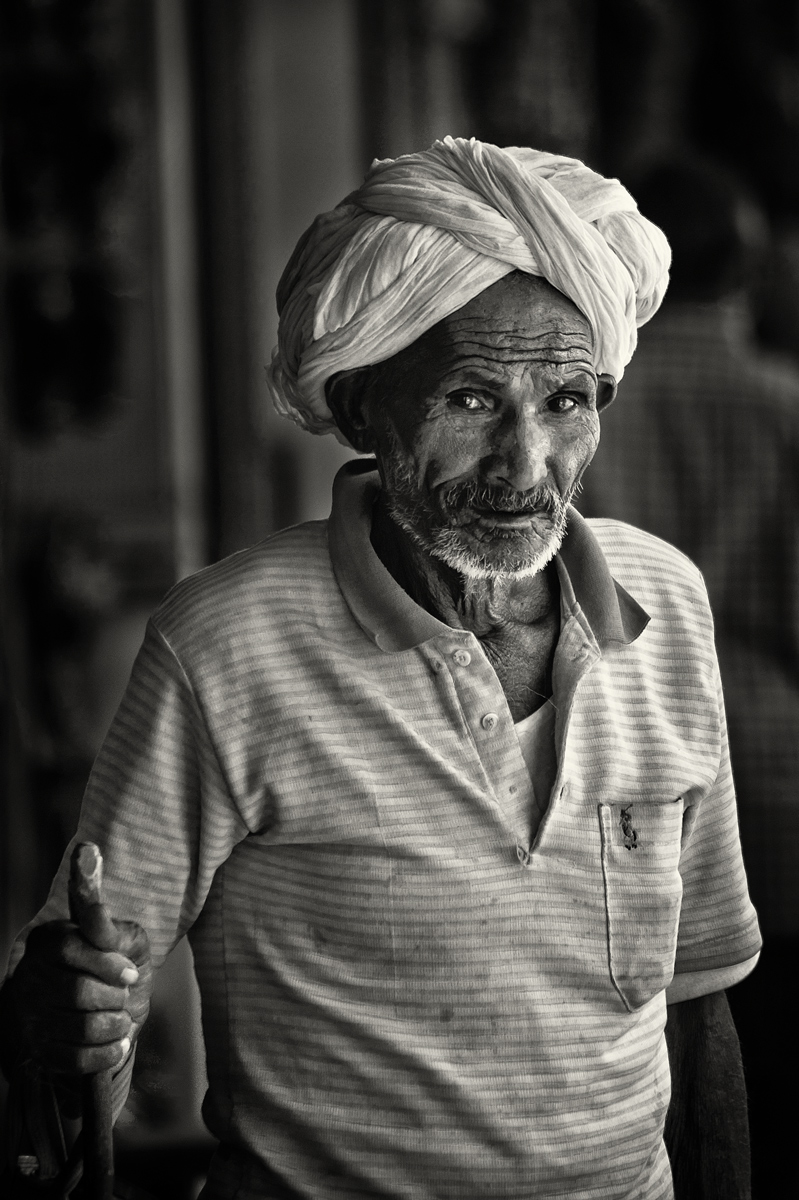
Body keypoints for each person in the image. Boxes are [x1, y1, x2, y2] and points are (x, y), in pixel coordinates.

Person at [1, 138, 761, 1200]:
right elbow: (75, 1007)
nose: (525, 465)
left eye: (566, 401)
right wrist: (57, 1018)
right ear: (361, 403)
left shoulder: (665, 603)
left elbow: (699, 988)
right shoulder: (222, 644)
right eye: (468, 400)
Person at [577, 154, 799, 1197]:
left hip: (620, 765)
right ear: (746, 265)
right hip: (777, 758)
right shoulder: (783, 408)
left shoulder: (582, 410)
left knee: (650, 1047)